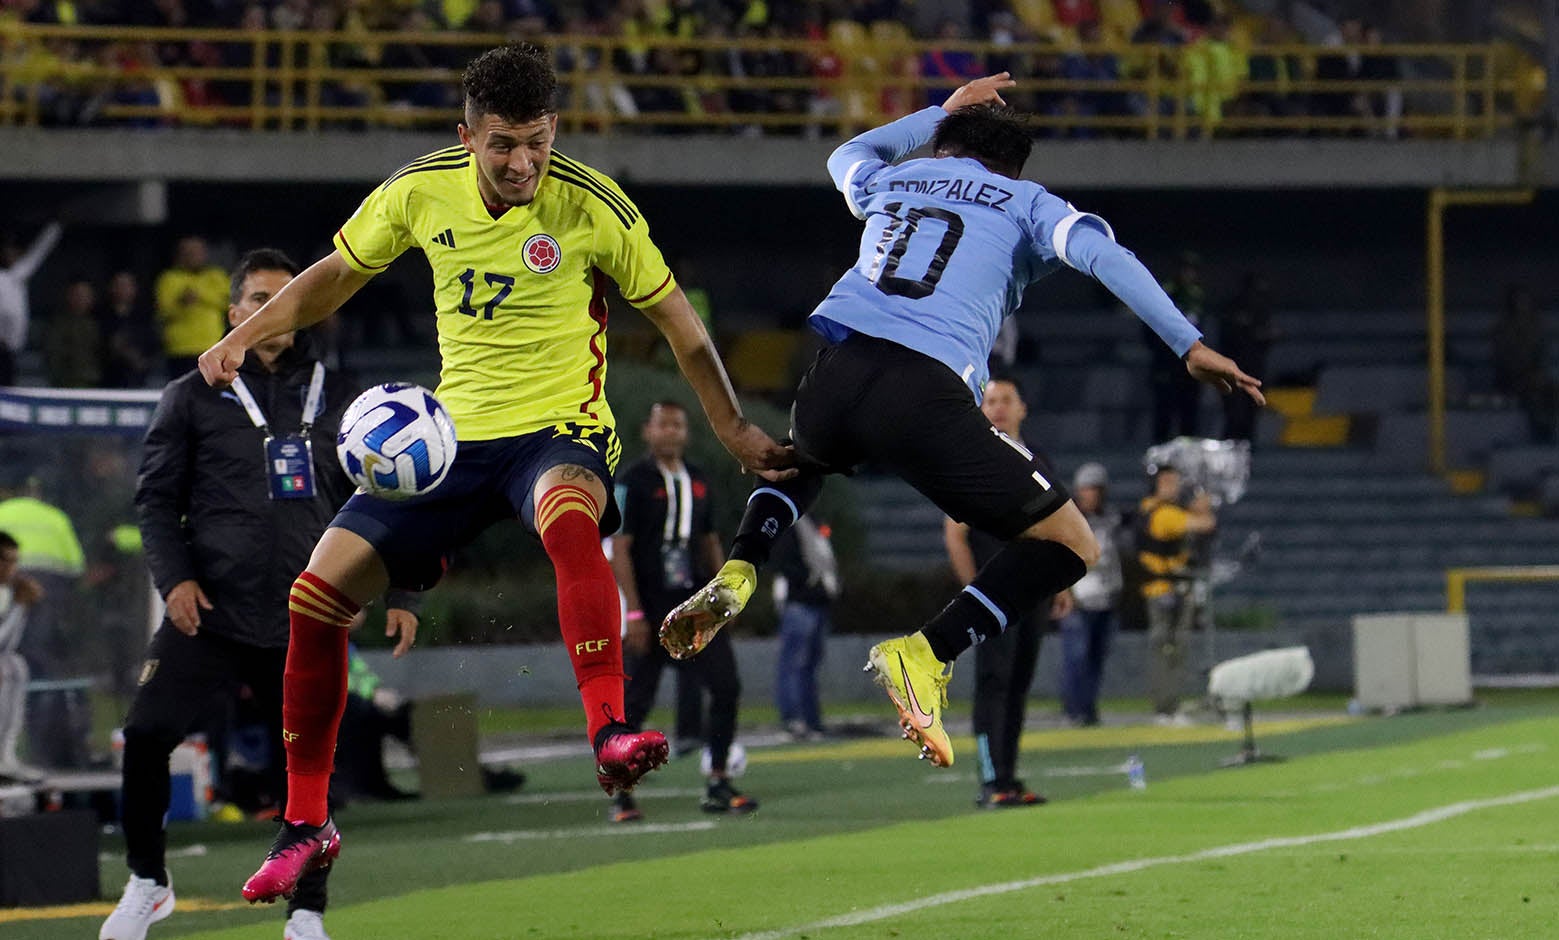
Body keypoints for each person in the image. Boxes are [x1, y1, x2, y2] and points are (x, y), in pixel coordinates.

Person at [194, 44, 790, 903]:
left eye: (538, 143)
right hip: (447, 439)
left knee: (568, 519)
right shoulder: (417, 190)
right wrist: (243, 336)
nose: (522, 164)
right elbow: (333, 278)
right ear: (465, 134)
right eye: (504, 144)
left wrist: (730, 426)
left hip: (560, 425)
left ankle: (610, 731)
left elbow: (680, 326)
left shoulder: (590, 207)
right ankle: (306, 824)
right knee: (313, 599)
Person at [660, 73, 1261, 769]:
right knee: (1071, 545)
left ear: (943, 145)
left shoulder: (898, 178)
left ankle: (740, 566)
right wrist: (1186, 343)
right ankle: (924, 653)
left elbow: (845, 154)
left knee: (802, 458)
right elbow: (1104, 255)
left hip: (832, 373)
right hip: (922, 389)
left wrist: (934, 112)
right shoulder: (1027, 201)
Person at [102, 249, 421, 940]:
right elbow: (155, 501)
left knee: (305, 766)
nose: (273, 310)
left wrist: (400, 588)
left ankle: (306, 913)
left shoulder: (344, 396)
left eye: (287, 298)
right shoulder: (191, 394)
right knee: (146, 733)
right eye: (259, 299)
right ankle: (147, 884)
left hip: (305, 612)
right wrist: (175, 579)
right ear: (234, 312)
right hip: (210, 609)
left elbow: (390, 494)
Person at [609, 401, 756, 821]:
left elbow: (709, 541)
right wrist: (633, 613)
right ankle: (621, 791)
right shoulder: (631, 481)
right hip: (651, 604)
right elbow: (620, 548)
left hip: (695, 608)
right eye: (663, 424)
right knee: (634, 701)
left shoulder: (699, 480)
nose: (671, 432)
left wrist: (728, 595)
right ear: (647, 431)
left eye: (678, 425)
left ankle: (718, 781)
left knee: (726, 686)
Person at [942, 375, 1068, 807]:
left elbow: (1058, 526)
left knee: (1017, 683)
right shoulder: (975, 459)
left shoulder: (1038, 459)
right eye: (990, 400)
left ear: (1022, 408)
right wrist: (974, 591)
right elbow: (955, 533)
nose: (997, 406)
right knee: (993, 683)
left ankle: (1009, 775)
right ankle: (990, 778)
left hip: (1033, 591)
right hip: (996, 593)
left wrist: (1061, 582)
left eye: (1005, 399)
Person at [1137, 463, 1216, 724]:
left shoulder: (1148, 508)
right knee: (1170, 651)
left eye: (1175, 481)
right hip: (1165, 590)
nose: (1173, 487)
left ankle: (1168, 706)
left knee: (1169, 650)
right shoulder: (1162, 513)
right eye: (1167, 482)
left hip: (1165, 588)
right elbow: (1203, 525)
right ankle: (1167, 708)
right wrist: (1205, 508)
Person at [1057, 462, 1121, 726]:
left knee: (1096, 657)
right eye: (1086, 489)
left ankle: (1088, 708)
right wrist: (1064, 592)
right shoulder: (1069, 520)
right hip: (1080, 598)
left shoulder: (1111, 519)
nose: (1090, 494)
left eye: (1095, 489)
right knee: (1077, 658)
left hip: (1106, 598)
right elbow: (1058, 558)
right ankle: (1074, 710)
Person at [771, 511, 838, 741]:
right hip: (801, 601)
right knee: (795, 664)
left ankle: (810, 719)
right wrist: (811, 583)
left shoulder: (810, 520)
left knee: (807, 666)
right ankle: (794, 719)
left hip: (814, 602)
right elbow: (784, 562)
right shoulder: (789, 522)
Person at [1146, 250, 1205, 442]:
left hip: (1190, 362)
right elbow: (1149, 326)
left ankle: (1189, 456)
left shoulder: (1196, 294)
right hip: (1167, 360)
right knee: (1164, 409)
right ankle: (1160, 456)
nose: (1189, 274)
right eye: (1185, 269)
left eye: (1192, 270)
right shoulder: (1165, 292)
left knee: (1189, 408)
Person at [0, 531, 44, 782]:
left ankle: (6, 756)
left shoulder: (7, 590)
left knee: (15, 665)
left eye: (15, 561)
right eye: (6, 561)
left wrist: (21, 605)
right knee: (7, 667)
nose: (12, 568)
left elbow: (8, 645)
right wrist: (20, 606)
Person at [155, 235, 230, 379]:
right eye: (188, 252)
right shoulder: (169, 279)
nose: (192, 256)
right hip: (181, 349)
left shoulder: (216, 276)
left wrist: (200, 295)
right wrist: (181, 303)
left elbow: (227, 303)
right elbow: (163, 313)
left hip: (212, 346)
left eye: (196, 251)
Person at [0, 221, 62, 385]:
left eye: (14, 252)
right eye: (7, 251)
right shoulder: (4, 277)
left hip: (12, 349)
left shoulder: (17, 274)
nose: (10, 255)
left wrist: (55, 228)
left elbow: (38, 253)